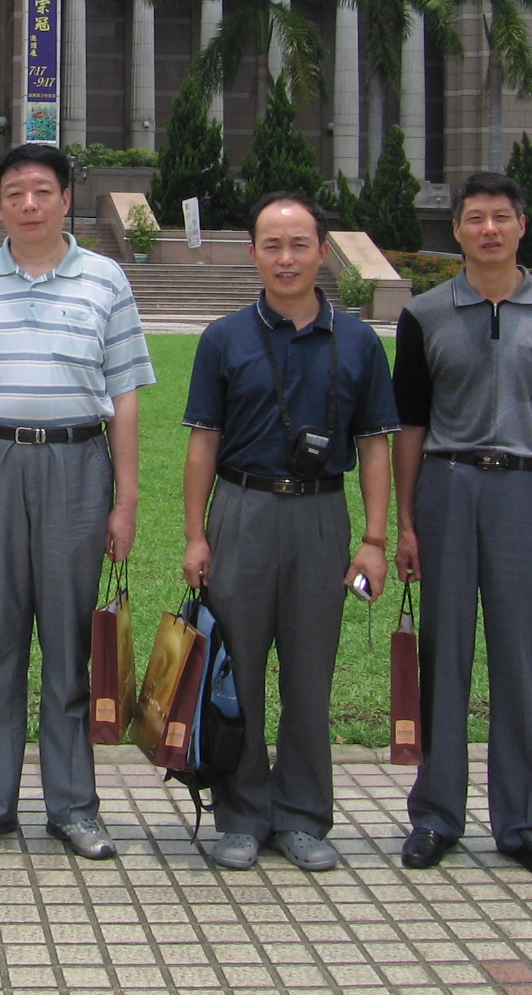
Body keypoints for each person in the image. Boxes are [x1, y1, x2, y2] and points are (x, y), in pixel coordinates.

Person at [392, 172, 532, 885]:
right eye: (474, 218)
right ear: (454, 230)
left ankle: (524, 824)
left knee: (519, 662)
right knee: (443, 657)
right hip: (448, 489)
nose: (488, 230)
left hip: (526, 492)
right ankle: (436, 816)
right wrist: (405, 522)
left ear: (523, 225)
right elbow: (411, 427)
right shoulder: (423, 314)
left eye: (501, 217)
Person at [0, 143, 154, 860]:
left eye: (42, 190)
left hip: (76, 466)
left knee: (69, 646)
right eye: (13, 193)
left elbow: (123, 395)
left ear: (67, 198)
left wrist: (125, 500)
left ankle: (74, 806)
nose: (28, 203)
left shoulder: (105, 279)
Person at [180, 192, 399, 872]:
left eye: (299, 243)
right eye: (271, 245)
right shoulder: (224, 338)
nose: (286, 257)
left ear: (323, 252)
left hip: (322, 516)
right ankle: (241, 814)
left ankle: (303, 814)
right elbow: (202, 444)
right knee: (236, 671)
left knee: (310, 673)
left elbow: (374, 446)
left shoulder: (358, 340)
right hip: (242, 511)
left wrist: (374, 538)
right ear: (252, 254)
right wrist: (195, 535)